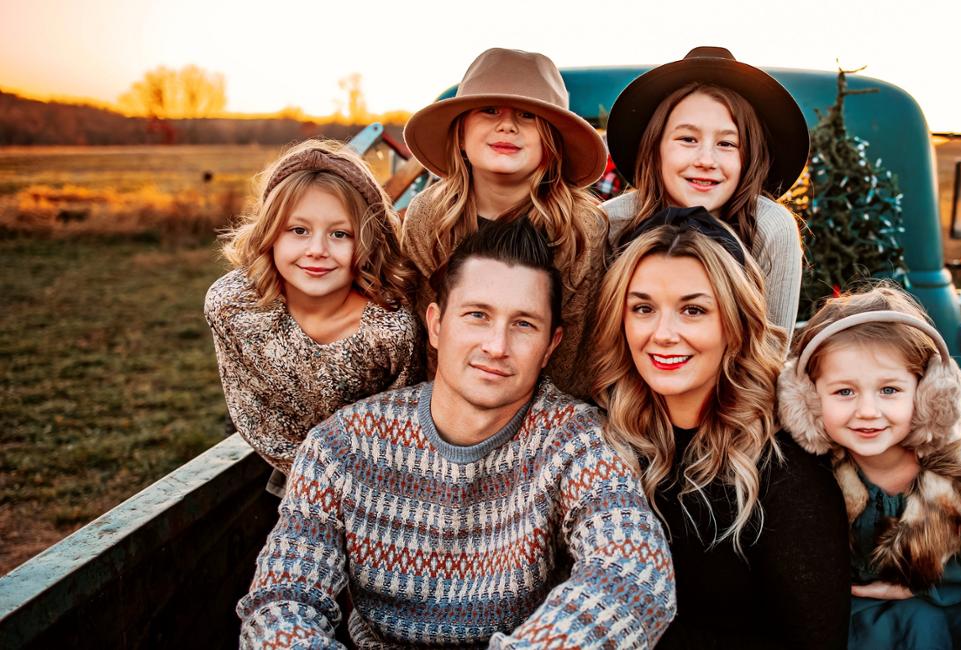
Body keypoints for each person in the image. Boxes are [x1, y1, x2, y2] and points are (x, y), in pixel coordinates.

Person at [237, 218, 676, 648]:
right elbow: (281, 600)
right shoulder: (344, 444)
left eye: (524, 324)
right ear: (436, 324)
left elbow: (632, 572)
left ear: (551, 346)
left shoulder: (574, 440)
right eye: (477, 315)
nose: (496, 346)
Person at [591, 206, 850, 648]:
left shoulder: (784, 467)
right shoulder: (604, 442)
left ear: (735, 324)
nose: (664, 333)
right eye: (643, 308)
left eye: (693, 310)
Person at [778, 285, 961, 650]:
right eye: (844, 392)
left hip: (927, 608)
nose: (866, 410)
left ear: (930, 394)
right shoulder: (810, 473)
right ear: (809, 402)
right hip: (841, 612)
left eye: (889, 390)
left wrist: (911, 586)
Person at [204, 139, 419, 493]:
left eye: (340, 234)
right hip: (289, 475)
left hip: (378, 482)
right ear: (270, 234)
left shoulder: (389, 331)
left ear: (368, 242)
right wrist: (315, 480)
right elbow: (255, 416)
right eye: (298, 230)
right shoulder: (234, 307)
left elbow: (400, 421)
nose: (317, 250)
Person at [400, 47, 609, 399]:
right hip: (447, 401)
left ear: (551, 141)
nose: (507, 125)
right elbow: (424, 336)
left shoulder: (581, 229)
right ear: (462, 134)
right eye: (490, 110)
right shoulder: (430, 217)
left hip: (550, 410)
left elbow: (574, 355)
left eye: (528, 115)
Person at [602, 46, 810, 340]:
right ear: (655, 147)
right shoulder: (610, 223)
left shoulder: (770, 227)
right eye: (688, 139)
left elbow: (772, 351)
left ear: (748, 158)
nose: (706, 160)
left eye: (726, 144)